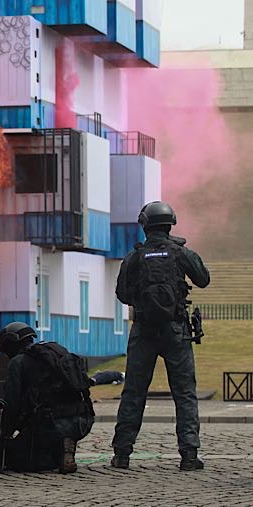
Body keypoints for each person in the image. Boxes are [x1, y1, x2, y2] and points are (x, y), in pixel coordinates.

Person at [111, 201, 210, 471]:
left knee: (133, 391)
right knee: (185, 393)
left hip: (143, 331)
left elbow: (121, 294)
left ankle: (122, 453)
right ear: (170, 224)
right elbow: (203, 279)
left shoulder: (134, 257)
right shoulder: (180, 253)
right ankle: (189, 455)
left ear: (144, 225)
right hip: (176, 330)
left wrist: (144, 301)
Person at [0, 322, 95, 474]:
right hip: (82, 421)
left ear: (10, 345)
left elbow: (12, 402)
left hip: (48, 424)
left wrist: (4, 432)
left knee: (14, 458)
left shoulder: (17, 363)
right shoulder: (59, 354)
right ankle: (64, 446)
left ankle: (58, 445)